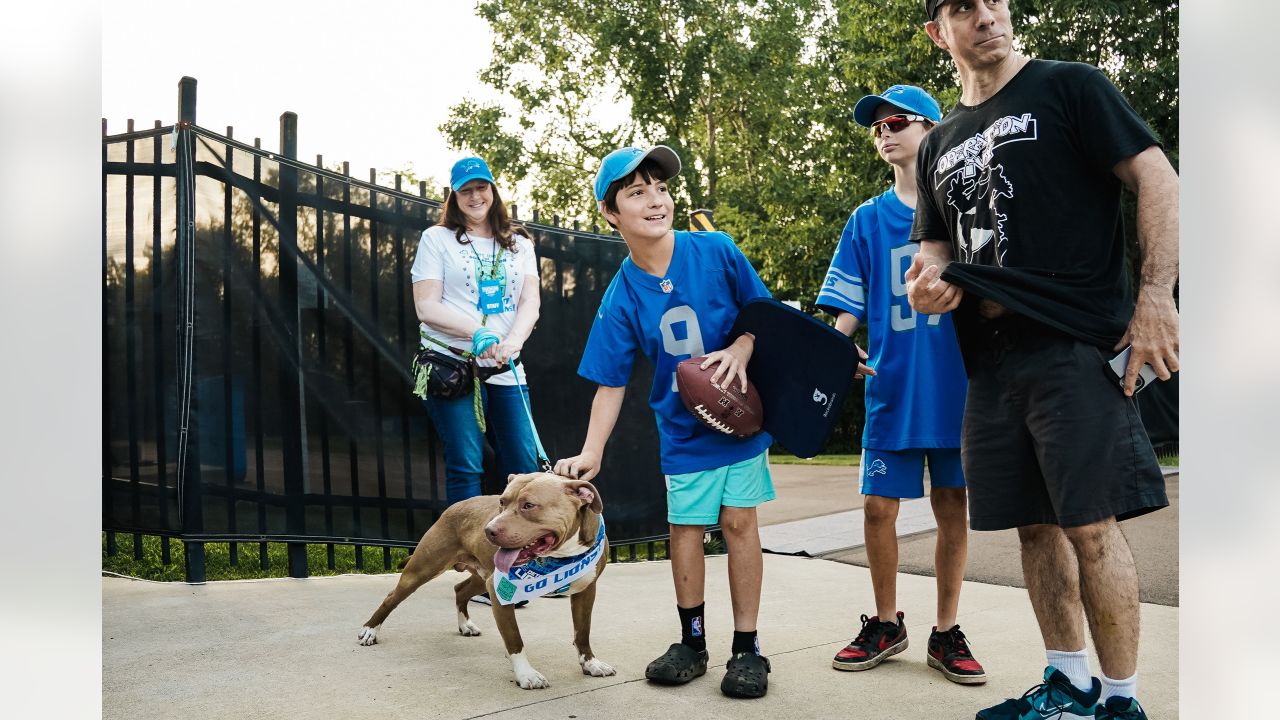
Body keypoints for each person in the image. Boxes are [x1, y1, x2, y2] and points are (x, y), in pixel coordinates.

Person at [906, 2, 1179, 719]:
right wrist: (926, 279)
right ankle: (1068, 685)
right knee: (1035, 526)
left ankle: (1120, 703)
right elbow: (935, 246)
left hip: (1072, 342)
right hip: (990, 360)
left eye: (995, 0)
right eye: (965, 7)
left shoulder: (1070, 86)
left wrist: (1155, 297)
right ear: (939, 32)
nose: (988, 15)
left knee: (1090, 525)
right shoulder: (939, 143)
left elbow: (1157, 177)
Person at [553, 146, 776, 699]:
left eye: (660, 188)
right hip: (683, 432)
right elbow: (611, 380)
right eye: (637, 192)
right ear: (611, 213)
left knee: (741, 525)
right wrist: (591, 451)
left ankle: (747, 649)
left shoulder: (717, 250)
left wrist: (744, 348)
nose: (656, 200)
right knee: (685, 531)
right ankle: (692, 643)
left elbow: (763, 317)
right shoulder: (623, 293)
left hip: (740, 424)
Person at [816, 84, 986, 686]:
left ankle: (945, 630)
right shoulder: (866, 220)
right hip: (892, 385)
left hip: (958, 386)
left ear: (933, 130)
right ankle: (887, 622)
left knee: (951, 505)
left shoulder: (968, 211)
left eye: (898, 121)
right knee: (876, 507)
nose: (885, 131)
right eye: (877, 126)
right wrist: (837, 348)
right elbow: (846, 308)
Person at [410, 156, 542, 602]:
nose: (476, 197)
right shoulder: (437, 239)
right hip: (453, 363)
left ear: (493, 190)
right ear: (454, 195)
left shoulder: (518, 242)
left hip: (506, 363)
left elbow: (530, 302)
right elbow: (426, 306)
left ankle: (527, 562)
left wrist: (514, 342)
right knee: (466, 462)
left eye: (482, 187)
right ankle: (479, 571)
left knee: (523, 465)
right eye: (466, 190)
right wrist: (477, 333)